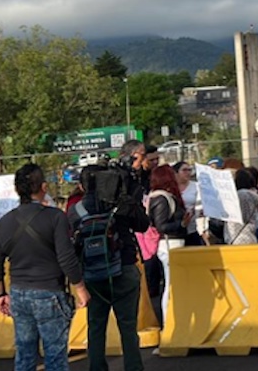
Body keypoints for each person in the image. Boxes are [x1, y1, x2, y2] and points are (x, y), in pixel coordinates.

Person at [0, 164, 90, 371]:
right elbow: (66, 257)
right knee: (55, 353)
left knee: (25, 353)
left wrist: (0, 294)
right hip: (50, 290)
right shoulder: (55, 217)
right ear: (43, 186)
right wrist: (80, 288)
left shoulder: (4, 222)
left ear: (17, 190)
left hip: (19, 292)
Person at [69, 140, 151, 371]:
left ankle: (97, 367)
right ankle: (133, 367)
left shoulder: (75, 210)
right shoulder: (120, 203)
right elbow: (143, 226)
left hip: (92, 274)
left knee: (96, 326)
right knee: (128, 326)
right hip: (123, 267)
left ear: (83, 186)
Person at [148, 165, 189, 326]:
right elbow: (161, 226)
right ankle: (169, 324)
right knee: (171, 285)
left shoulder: (164, 197)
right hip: (169, 244)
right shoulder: (162, 198)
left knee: (173, 284)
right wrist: (182, 224)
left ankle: (173, 323)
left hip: (172, 243)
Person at [226, 169, 258, 245]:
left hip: (240, 235)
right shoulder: (252, 194)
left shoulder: (242, 195)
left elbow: (242, 215)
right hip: (251, 231)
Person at [172, 162, 204, 246]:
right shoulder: (171, 187)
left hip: (193, 228)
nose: (188, 173)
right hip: (176, 230)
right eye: (184, 170)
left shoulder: (196, 186)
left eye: (189, 170)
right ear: (176, 172)